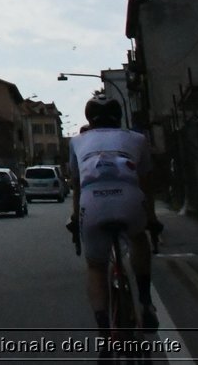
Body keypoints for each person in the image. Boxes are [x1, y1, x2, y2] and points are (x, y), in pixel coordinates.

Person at [65, 93, 161, 335]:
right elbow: (146, 183)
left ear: (90, 118)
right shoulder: (138, 140)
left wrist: (76, 218)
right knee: (139, 238)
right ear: (119, 117)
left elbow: (76, 186)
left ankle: (104, 329)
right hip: (129, 198)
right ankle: (145, 302)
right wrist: (151, 218)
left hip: (92, 201)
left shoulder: (77, 142)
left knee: (96, 266)